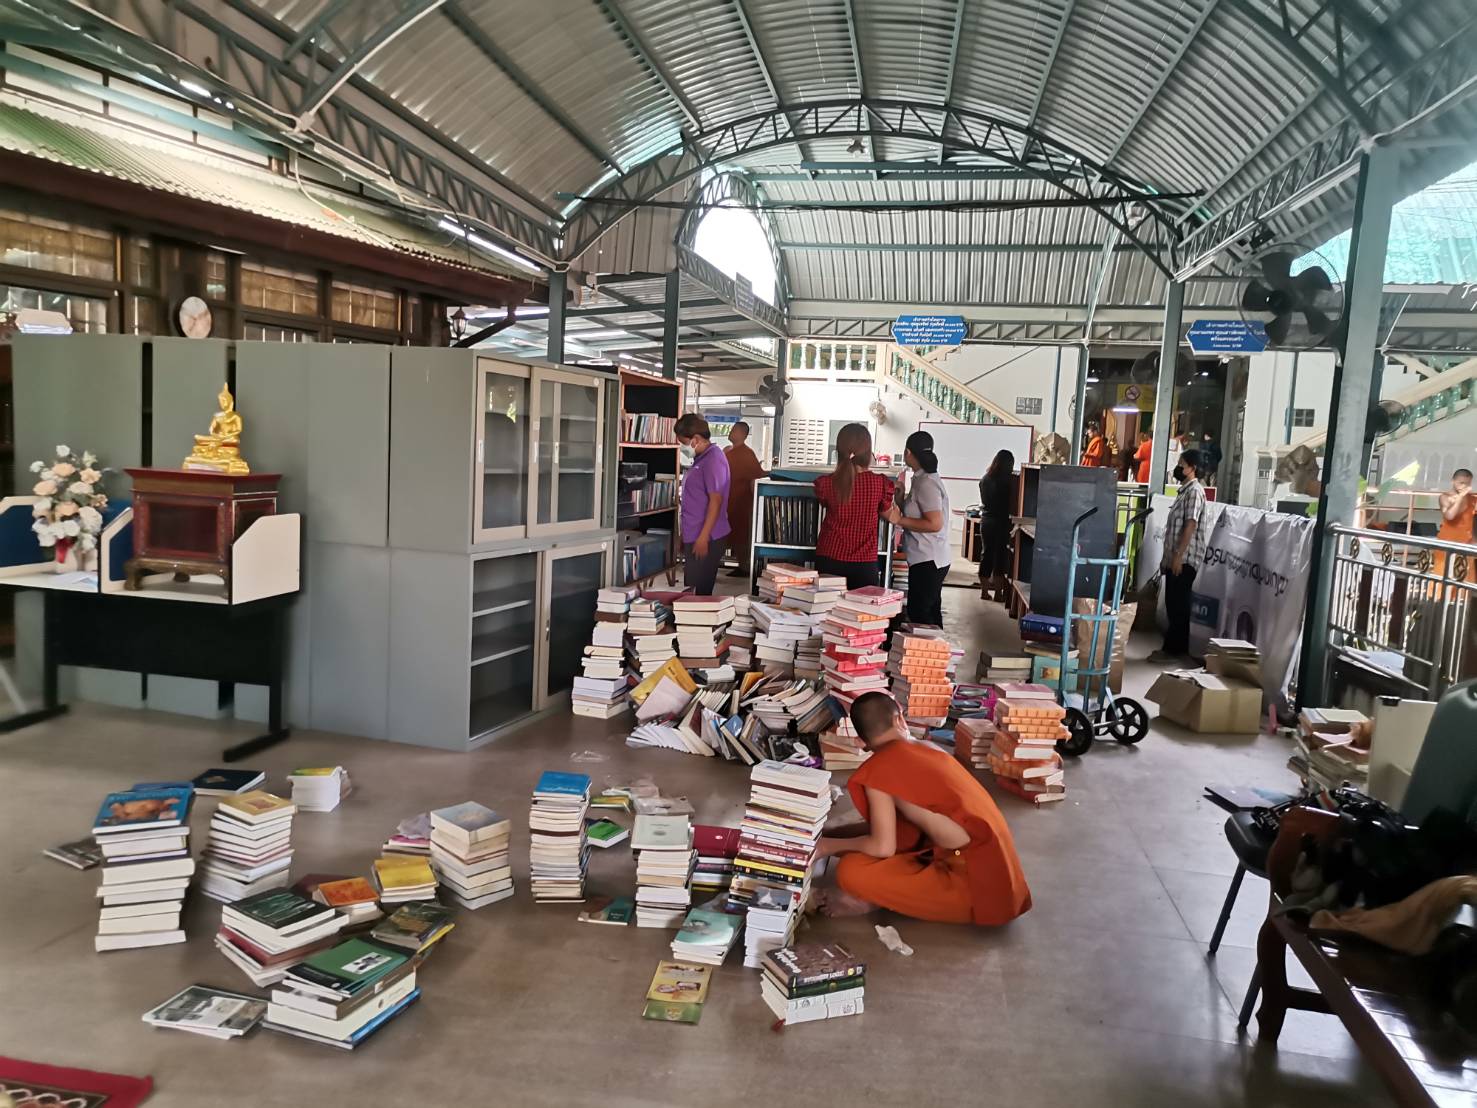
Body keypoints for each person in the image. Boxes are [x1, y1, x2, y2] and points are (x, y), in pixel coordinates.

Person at [813, 691, 1032, 925]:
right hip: (1000, 874)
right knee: (854, 850)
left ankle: (874, 899)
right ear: (899, 719)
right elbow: (900, 831)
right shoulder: (930, 748)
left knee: (851, 872)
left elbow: (882, 846)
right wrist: (830, 836)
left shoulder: (879, 771)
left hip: (977, 889)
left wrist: (825, 846)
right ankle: (885, 893)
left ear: (861, 742)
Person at [813, 423, 893, 589]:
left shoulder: (826, 483)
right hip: (864, 563)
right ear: (868, 454)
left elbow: (824, 501)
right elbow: (889, 513)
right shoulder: (880, 484)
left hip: (829, 557)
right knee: (864, 605)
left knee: (826, 605)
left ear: (838, 452)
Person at [885, 430, 950, 626]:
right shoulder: (921, 478)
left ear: (907, 453)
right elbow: (917, 512)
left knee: (922, 616)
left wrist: (899, 520)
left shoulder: (927, 483)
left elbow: (934, 523)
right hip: (924, 558)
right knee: (927, 614)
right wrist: (900, 498)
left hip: (929, 559)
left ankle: (929, 646)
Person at [1148, 448, 1207, 662]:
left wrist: (1178, 556)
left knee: (1178, 605)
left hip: (1185, 559)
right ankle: (1171, 649)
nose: (1178, 468)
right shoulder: (1184, 492)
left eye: (1182, 464)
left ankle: (1173, 652)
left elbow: (1190, 524)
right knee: (1173, 604)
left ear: (1192, 468)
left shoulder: (1195, 492)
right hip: (1175, 557)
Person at [674, 413, 730, 596]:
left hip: (707, 537)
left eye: (683, 443)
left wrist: (703, 537)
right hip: (695, 534)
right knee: (692, 589)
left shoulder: (714, 459)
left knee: (700, 594)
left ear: (696, 439)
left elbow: (716, 501)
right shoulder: (701, 458)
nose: (682, 448)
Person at [723, 421, 766, 577]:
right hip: (728, 501)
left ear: (743, 434)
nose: (731, 432)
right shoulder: (729, 452)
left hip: (740, 502)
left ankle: (745, 566)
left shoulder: (747, 454)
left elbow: (757, 475)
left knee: (740, 536)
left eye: (734, 430)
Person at [977, 448, 1014, 600]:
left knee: (986, 554)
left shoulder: (985, 479)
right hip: (1002, 522)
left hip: (986, 521)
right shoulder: (1009, 481)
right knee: (1000, 557)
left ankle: (984, 591)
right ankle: (999, 593)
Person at [1436, 468, 1476, 582]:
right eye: (1461, 483)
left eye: (1467, 483)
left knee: (1465, 580)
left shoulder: (1472, 499)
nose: (1464, 486)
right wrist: (1460, 497)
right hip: (1448, 543)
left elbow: (1473, 520)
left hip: (1466, 543)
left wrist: (1474, 540)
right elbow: (1450, 516)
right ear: (1453, 481)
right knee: (1444, 579)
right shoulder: (1445, 497)